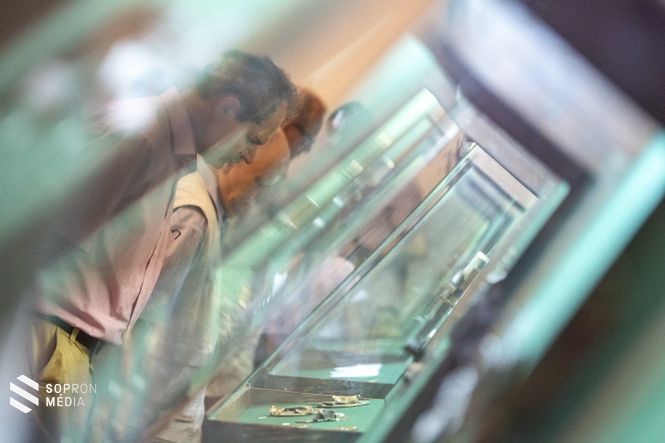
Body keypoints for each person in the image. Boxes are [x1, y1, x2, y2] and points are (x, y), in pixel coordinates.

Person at [23, 49, 296, 441]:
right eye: (253, 139)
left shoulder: (174, 153)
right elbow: (46, 246)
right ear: (227, 107)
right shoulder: (140, 136)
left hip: (73, 351)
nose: (251, 156)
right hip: (55, 344)